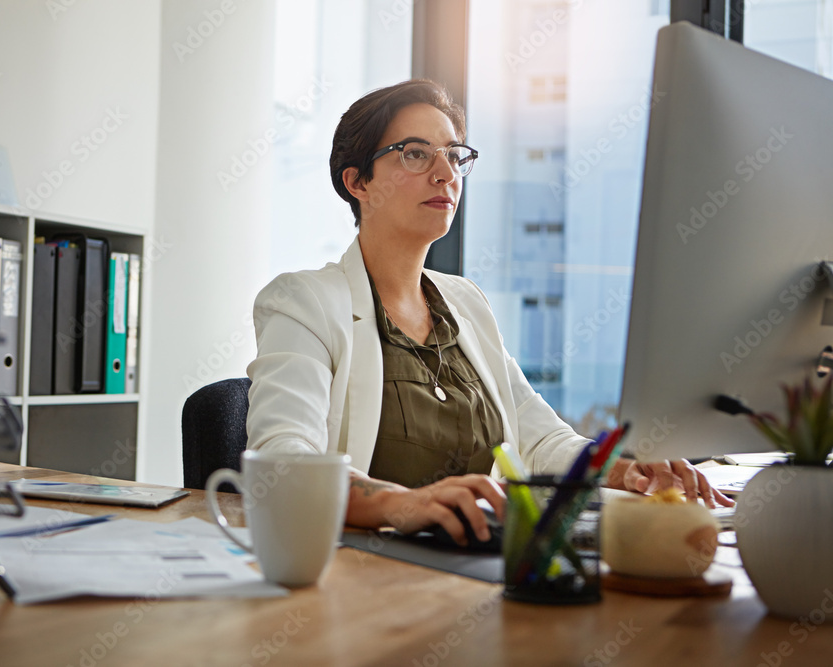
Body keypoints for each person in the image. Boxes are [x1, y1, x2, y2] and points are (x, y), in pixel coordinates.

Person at [246, 79, 732, 547]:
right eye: (416, 153)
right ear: (358, 183)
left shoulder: (465, 303)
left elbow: (539, 439)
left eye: (454, 155)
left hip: (478, 563)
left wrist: (624, 470)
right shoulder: (304, 302)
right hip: (369, 574)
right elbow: (283, 464)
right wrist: (404, 503)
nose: (445, 173)